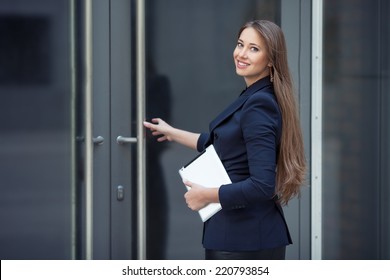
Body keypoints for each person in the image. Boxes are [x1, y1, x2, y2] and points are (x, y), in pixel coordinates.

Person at [143, 20, 306, 260]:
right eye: (240, 44)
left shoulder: (258, 105)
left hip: (244, 240)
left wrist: (206, 195)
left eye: (254, 48)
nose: (241, 54)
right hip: (241, 235)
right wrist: (172, 132)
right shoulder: (256, 97)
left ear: (271, 59)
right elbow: (223, 143)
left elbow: (262, 185)